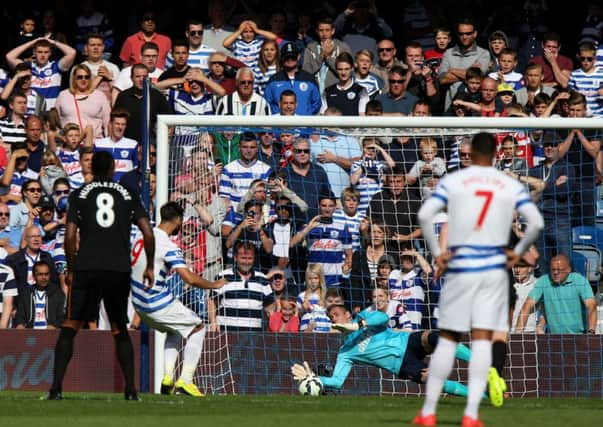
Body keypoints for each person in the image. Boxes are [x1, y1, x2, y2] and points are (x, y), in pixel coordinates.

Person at [414, 132, 543, 427]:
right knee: (483, 340)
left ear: (471, 153)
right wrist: (517, 252)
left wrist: (438, 253)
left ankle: (428, 412)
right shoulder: (508, 184)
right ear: (496, 153)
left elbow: (425, 215)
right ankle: (471, 415)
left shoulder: (455, 181)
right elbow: (536, 222)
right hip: (494, 270)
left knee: (448, 339)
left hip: (462, 265)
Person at [46, 151, 155, 401]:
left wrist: (72, 268)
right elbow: (147, 232)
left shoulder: (80, 194)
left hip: (87, 267)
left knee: (71, 325)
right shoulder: (127, 193)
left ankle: (55, 389)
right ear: (113, 168)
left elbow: (70, 234)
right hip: (118, 268)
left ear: (92, 168)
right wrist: (149, 265)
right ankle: (131, 390)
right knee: (119, 328)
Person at [131, 201, 225, 396]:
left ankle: (167, 377)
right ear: (178, 221)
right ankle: (186, 380)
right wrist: (214, 285)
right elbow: (189, 278)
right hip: (156, 303)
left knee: (174, 330)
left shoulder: (141, 235)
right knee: (198, 327)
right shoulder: (167, 245)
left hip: (138, 304)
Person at [291, 303, 472, 396]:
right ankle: (481, 396)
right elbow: (337, 381)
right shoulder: (345, 352)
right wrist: (314, 379)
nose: (334, 320)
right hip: (401, 365)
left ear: (347, 314)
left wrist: (359, 325)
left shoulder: (364, 317)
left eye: (336, 315)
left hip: (407, 341)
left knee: (434, 337)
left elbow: (383, 317)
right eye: (331, 319)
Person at [516, 254, 597, 334]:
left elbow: (591, 306)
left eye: (559, 270)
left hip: (579, 336)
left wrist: (591, 331)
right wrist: (518, 334)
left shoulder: (580, 280)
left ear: (569, 269)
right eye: (553, 269)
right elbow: (527, 306)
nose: (556, 272)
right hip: (554, 337)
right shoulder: (543, 281)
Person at [208, 241, 273, 331]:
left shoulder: (262, 279)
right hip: (226, 334)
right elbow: (212, 300)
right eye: (243, 258)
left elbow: (270, 307)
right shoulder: (223, 276)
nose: (246, 262)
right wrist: (213, 321)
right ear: (235, 258)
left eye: (249, 258)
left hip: (254, 335)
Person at [55, 64, 111, 139]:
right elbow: (55, 122)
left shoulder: (100, 96)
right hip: (70, 143)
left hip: (94, 142)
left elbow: (108, 122)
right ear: (74, 78)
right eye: (79, 77)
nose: (83, 79)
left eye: (86, 77)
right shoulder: (63, 95)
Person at [14, 260, 64, 329]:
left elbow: (62, 316)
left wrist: (55, 326)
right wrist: (20, 324)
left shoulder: (58, 293)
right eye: (40, 274)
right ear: (34, 276)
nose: (44, 277)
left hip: (51, 332)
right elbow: (20, 315)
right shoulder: (26, 293)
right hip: (30, 332)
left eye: (46, 274)